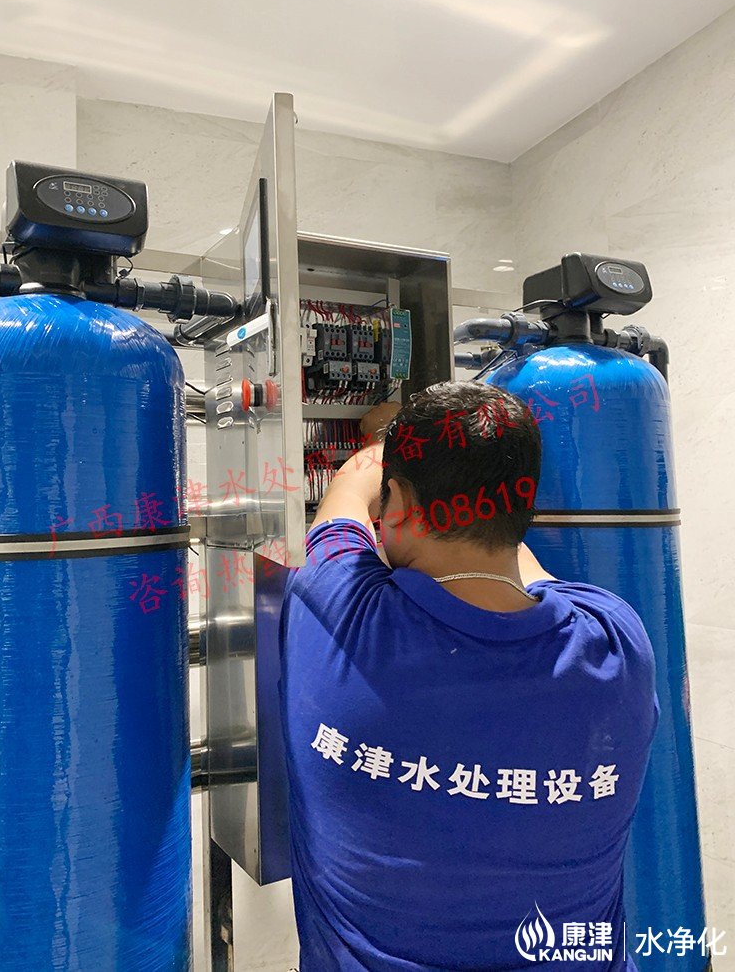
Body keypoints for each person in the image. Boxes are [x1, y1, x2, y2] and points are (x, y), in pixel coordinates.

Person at [280, 381, 658, 972]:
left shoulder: (340, 619)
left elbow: (345, 499)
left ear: (397, 501)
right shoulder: (618, 644)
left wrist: (386, 448)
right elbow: (516, 565)